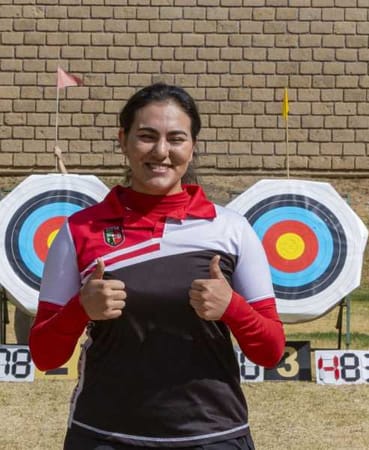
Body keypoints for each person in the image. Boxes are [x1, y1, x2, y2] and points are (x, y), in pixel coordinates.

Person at [29, 83, 286, 449]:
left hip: (213, 435)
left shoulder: (231, 230)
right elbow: (44, 355)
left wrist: (232, 307)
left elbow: (271, 350)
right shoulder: (78, 230)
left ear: (192, 145)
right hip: (103, 434)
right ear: (123, 140)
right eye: (146, 137)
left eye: (176, 139)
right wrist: (80, 309)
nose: (161, 152)